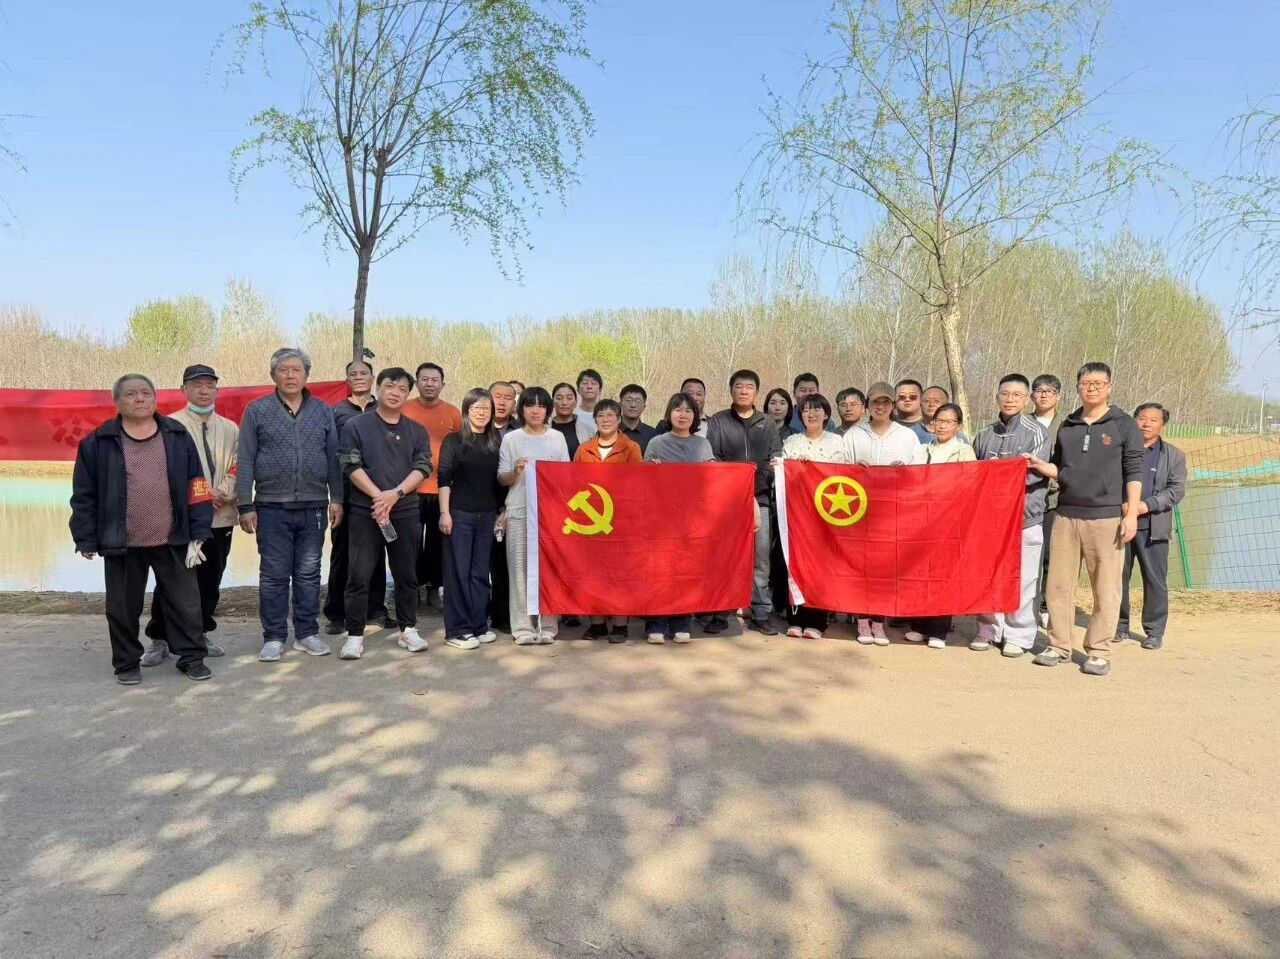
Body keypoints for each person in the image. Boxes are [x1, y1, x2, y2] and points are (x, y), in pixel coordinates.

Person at [70, 374, 213, 684]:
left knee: (186, 604)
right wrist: (85, 536)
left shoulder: (177, 435)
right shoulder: (99, 442)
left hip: (174, 539)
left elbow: (197, 485)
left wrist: (199, 529)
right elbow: (84, 494)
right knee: (122, 608)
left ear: (155, 398)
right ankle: (126, 663)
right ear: (117, 401)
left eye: (146, 393)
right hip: (122, 542)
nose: (140, 399)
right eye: (131, 394)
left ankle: (191, 657)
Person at [1031, 362, 1145, 677]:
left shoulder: (1123, 425)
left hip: (1106, 518)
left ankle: (1098, 650)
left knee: (1106, 589)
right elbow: (1059, 468)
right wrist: (1039, 465)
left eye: (1098, 383)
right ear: (1078, 387)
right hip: (1066, 515)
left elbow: (1134, 470)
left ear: (1109, 387)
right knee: (1057, 586)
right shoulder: (1068, 425)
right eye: (1085, 383)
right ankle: (1059, 645)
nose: (1091, 388)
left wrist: (1131, 513)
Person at [238, 347, 343, 661]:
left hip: (313, 507)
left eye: (296, 369)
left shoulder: (322, 411)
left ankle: (307, 633)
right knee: (274, 574)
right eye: (283, 370)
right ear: (273, 375)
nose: (290, 375)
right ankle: (273, 636)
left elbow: (333, 458)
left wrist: (336, 498)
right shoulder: (257, 410)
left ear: (306, 375)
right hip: (271, 508)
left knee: (309, 573)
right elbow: (246, 459)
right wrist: (245, 504)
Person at [142, 364, 237, 665]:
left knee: (210, 580)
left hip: (220, 517)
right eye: (197, 385)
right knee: (171, 581)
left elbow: (239, 464)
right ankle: (159, 638)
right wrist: (202, 498)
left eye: (209, 385)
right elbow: (162, 471)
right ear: (183, 389)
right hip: (180, 519)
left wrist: (222, 491)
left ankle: (199, 633)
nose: (204, 390)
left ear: (217, 390)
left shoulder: (231, 428)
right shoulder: (169, 426)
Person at [335, 368, 431, 659]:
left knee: (406, 573)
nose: (395, 392)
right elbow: (349, 464)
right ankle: (354, 634)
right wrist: (379, 497)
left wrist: (395, 494)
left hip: (405, 511)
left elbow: (423, 467)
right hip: (366, 511)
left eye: (402, 389)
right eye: (390, 386)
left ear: (407, 395)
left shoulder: (416, 430)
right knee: (358, 574)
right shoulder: (356, 425)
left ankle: (408, 629)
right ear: (378, 388)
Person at [973, 376, 1051, 657]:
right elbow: (974, 475)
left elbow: (1035, 473)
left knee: (1025, 577)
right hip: (990, 520)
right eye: (1005, 394)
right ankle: (988, 628)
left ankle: (1018, 634)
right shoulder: (984, 435)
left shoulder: (1038, 432)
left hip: (1025, 517)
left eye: (1017, 395)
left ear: (1027, 399)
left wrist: (1000, 471)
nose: (1010, 399)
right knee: (988, 575)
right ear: (997, 397)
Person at [707, 369, 784, 635]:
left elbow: (776, 456)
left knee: (760, 559)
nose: (743, 391)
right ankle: (720, 612)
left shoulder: (767, 422)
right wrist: (736, 483)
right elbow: (713, 458)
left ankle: (760, 612)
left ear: (756, 392)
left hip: (760, 499)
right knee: (724, 557)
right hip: (727, 502)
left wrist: (766, 475)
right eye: (739, 386)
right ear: (731, 390)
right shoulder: (718, 421)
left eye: (749, 387)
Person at [844, 381, 921, 645]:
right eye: (876, 402)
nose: (880, 406)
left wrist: (905, 472)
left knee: (886, 568)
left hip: (893, 514)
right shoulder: (854, 434)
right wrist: (854, 467)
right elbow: (838, 470)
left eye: (886, 402)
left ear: (893, 406)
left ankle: (879, 621)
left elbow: (920, 473)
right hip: (860, 514)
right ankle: (862, 620)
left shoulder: (907, 436)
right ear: (868, 406)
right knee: (860, 567)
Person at [498, 387, 571, 646]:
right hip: (519, 510)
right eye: (530, 405)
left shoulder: (557, 438)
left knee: (550, 570)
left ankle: (548, 624)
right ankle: (522, 627)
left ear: (548, 410)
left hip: (550, 514)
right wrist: (516, 472)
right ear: (522, 410)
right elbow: (502, 478)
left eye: (541, 406)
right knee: (518, 570)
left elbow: (566, 477)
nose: (536, 410)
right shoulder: (511, 439)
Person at [900, 403, 975, 648]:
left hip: (950, 521)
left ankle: (938, 630)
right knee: (920, 573)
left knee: (943, 575)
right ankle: (918, 626)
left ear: (958, 426)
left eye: (948, 422)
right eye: (939, 421)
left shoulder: (964, 451)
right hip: (922, 521)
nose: (942, 426)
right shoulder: (922, 450)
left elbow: (970, 483)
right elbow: (911, 480)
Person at [643, 392, 716, 644]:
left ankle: (682, 622)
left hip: (691, 518)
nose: (682, 415)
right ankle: (655, 624)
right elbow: (642, 481)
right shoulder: (656, 442)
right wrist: (650, 470)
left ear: (695, 416)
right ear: (669, 413)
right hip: (660, 517)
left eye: (688, 410)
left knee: (686, 570)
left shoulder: (702, 445)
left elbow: (713, 480)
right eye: (677, 409)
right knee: (658, 571)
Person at [323, 359, 389, 635]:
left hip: (380, 494)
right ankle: (337, 613)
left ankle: (376, 610)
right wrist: (336, 498)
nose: (359, 377)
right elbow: (331, 457)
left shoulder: (384, 409)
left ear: (373, 378)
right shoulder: (335, 412)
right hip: (347, 493)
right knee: (342, 553)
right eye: (353, 374)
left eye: (364, 373)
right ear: (347, 380)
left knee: (377, 552)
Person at [439, 388, 506, 650]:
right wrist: (444, 513)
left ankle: (479, 625)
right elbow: (444, 478)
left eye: (486, 408)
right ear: (467, 411)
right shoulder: (454, 441)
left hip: (487, 515)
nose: (481, 413)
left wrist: (501, 512)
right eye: (476, 408)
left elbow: (500, 482)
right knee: (458, 573)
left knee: (479, 573)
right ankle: (458, 630)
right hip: (460, 515)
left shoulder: (496, 442)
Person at [1117, 402, 1187, 650]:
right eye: (1142, 418)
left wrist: (1146, 505)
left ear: (1162, 426)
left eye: (1153, 420)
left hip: (1153, 527)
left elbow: (1176, 490)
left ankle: (1154, 631)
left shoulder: (1174, 456)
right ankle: (1119, 625)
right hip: (1120, 524)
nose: (1146, 424)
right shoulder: (1120, 450)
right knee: (1116, 578)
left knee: (1155, 580)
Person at [574, 399, 644, 641]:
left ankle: (620, 624)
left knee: (620, 573)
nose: (605, 420)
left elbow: (638, 483)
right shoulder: (584, 449)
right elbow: (573, 482)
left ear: (619, 419)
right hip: (592, 520)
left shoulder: (631, 448)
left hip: (622, 520)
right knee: (593, 572)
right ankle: (597, 622)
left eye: (610, 415)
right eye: (601, 415)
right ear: (594, 420)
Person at [781, 393, 849, 639]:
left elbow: (841, 474)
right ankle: (795, 618)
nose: (811, 414)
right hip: (797, 513)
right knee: (796, 563)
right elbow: (783, 473)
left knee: (821, 567)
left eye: (816, 409)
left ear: (826, 414)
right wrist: (786, 467)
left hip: (825, 514)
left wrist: (814, 467)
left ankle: (817, 621)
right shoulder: (792, 441)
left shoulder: (836, 442)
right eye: (806, 410)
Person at [401, 362, 462, 609]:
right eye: (424, 379)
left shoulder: (453, 413)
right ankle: (412, 587)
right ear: (417, 383)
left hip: (442, 490)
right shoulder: (404, 409)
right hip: (409, 490)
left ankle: (434, 587)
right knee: (410, 542)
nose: (429, 384)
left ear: (442, 385)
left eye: (434, 380)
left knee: (438, 543)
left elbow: (460, 448)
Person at [1032, 373, 1064, 626]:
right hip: (1026, 498)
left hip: (1055, 499)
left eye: (1049, 391)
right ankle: (1026, 604)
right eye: (1039, 390)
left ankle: (1046, 605)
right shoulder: (1023, 424)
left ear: (1058, 396)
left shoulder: (1067, 426)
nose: (1044, 395)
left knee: (1051, 556)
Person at [486, 381, 519, 634]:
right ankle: (479, 612)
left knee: (504, 565)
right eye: (497, 396)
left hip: (510, 506)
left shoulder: (520, 431)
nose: (502, 401)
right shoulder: (477, 428)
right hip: (479, 504)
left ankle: (502, 615)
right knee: (478, 565)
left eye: (508, 397)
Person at [550, 382, 593, 459]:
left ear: (575, 402)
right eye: (559, 398)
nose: (564, 403)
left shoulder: (588, 431)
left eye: (569, 398)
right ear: (552, 402)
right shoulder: (544, 428)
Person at [619, 384, 657, 453]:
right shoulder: (610, 431)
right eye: (628, 400)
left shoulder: (653, 435)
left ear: (644, 407)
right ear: (620, 404)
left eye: (637, 401)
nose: (633, 405)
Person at [894, 379, 934, 444]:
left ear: (921, 399)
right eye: (902, 396)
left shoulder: (931, 425)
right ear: (894, 399)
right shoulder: (886, 423)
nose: (907, 399)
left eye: (913, 396)